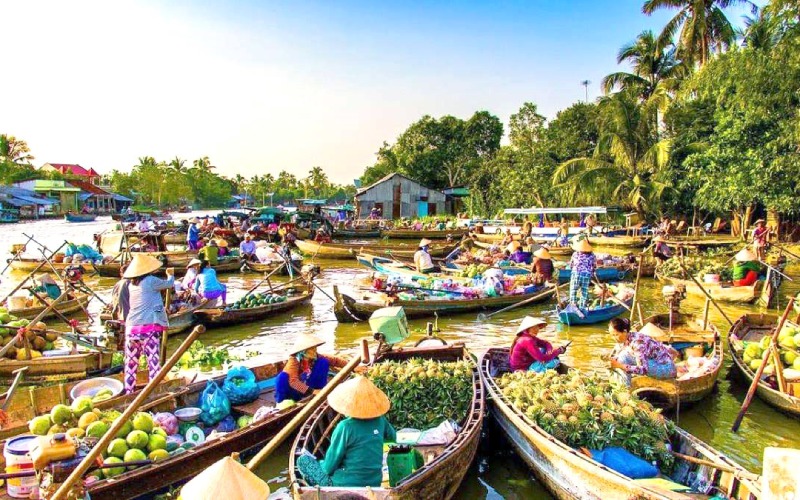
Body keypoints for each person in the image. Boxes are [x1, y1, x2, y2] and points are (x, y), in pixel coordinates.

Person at [296, 375, 395, 488]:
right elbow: (392, 438)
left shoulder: (345, 427)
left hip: (344, 485)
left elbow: (328, 468)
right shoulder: (380, 420)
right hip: (374, 483)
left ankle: (321, 492)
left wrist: (321, 463)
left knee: (302, 460)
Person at [121, 254, 174, 394]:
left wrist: (161, 310)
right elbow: (169, 284)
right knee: (153, 363)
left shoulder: (132, 284)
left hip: (131, 329)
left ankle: (129, 392)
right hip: (148, 329)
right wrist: (170, 275)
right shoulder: (150, 280)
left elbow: (148, 301)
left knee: (131, 363)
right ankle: (154, 391)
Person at [275, 335, 350, 403]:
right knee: (282, 377)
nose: (315, 351)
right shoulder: (294, 360)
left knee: (323, 361)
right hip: (294, 390)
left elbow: (335, 360)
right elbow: (294, 382)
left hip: (308, 386)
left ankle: (319, 391)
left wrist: (352, 366)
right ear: (303, 351)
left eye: (315, 348)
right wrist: (313, 391)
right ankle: (282, 402)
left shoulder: (315, 357)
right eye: (312, 349)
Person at [608, 318, 677, 383]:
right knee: (622, 356)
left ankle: (625, 389)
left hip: (667, 370)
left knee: (622, 359)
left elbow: (644, 369)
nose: (614, 338)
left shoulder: (638, 344)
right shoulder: (631, 336)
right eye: (612, 335)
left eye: (616, 335)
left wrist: (619, 365)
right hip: (656, 362)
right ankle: (624, 384)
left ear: (625, 331)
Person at [568, 238, 596, 309]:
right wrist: (591, 274)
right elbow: (593, 267)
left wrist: (573, 271)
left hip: (576, 273)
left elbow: (571, 265)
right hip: (587, 275)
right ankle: (582, 307)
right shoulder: (592, 255)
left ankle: (573, 305)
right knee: (584, 291)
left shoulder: (575, 254)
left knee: (573, 290)